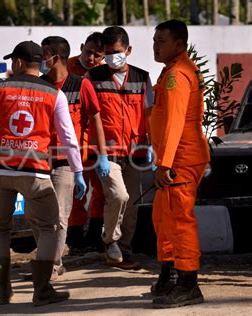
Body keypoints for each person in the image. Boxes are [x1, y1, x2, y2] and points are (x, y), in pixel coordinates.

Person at [0, 41, 86, 306]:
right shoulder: (54, 93)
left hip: (0, 170)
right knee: (49, 227)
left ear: (17, 62)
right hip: (34, 171)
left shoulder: (0, 88)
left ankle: (4, 291)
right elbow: (69, 138)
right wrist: (78, 171)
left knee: (0, 227)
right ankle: (42, 290)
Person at [150, 19, 209, 308]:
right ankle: (169, 273)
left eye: (162, 41)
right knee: (163, 217)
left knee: (180, 220)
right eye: (154, 40)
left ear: (180, 45)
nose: (155, 46)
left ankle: (188, 283)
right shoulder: (169, 73)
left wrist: (165, 163)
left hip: (180, 160)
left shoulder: (178, 76)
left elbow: (174, 123)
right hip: (174, 159)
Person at [38, 36, 108, 279]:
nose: (41, 59)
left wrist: (102, 155)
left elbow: (95, 118)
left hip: (68, 160)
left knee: (59, 215)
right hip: (40, 160)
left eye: (44, 54)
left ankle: (52, 265)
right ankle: (47, 260)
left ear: (54, 56)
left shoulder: (81, 84)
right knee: (39, 215)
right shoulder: (39, 85)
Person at [85, 26, 155, 270]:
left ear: (128, 50)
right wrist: (98, 154)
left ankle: (124, 249)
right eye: (108, 52)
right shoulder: (92, 78)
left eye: (117, 51)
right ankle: (111, 241)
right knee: (118, 195)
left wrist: (153, 143)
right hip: (107, 152)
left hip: (136, 150)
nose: (112, 57)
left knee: (133, 203)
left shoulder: (141, 77)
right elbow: (88, 116)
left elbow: (149, 113)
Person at [65, 32, 107, 255]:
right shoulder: (67, 68)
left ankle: (94, 235)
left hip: (95, 140)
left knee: (99, 190)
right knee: (76, 192)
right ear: (82, 47)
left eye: (97, 55)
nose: (91, 58)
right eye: (88, 52)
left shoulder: (103, 73)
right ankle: (75, 238)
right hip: (74, 140)